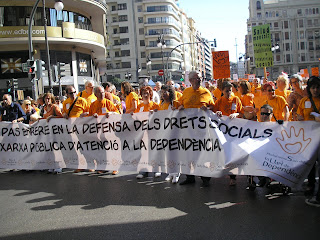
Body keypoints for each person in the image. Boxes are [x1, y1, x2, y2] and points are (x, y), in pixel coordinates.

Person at [178, 71, 215, 187]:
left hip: (201, 128)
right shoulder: (186, 92)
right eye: (196, 78)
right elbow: (180, 104)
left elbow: (213, 106)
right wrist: (180, 107)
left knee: (201, 151)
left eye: (200, 78)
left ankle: (205, 177)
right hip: (187, 128)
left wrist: (207, 107)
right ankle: (190, 177)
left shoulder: (206, 92)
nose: (199, 80)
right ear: (190, 80)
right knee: (188, 152)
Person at [296, 76, 320, 206]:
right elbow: (299, 116)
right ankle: (310, 185)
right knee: (309, 162)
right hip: (308, 138)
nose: (315, 90)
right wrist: (299, 118)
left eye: (317, 87)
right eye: (313, 87)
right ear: (309, 89)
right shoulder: (304, 101)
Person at [214, 81, 243, 186]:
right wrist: (217, 113)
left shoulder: (236, 99)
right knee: (225, 153)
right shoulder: (219, 101)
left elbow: (241, 112)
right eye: (226, 91)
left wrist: (236, 114)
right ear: (222, 91)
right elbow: (213, 114)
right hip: (223, 131)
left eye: (230, 90)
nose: (229, 92)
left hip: (234, 130)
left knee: (233, 153)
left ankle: (233, 177)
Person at [134, 86, 160, 179]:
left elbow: (161, 118)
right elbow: (135, 118)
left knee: (154, 151)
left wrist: (156, 113)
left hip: (153, 132)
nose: (145, 95)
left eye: (147, 93)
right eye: (144, 93)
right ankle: (143, 171)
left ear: (151, 94)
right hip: (143, 133)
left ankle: (156, 169)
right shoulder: (140, 106)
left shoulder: (155, 106)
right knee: (143, 152)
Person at [62, 85, 90, 173]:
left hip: (81, 127)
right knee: (76, 147)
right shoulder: (65, 103)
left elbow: (89, 111)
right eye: (71, 93)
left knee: (85, 146)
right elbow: (63, 112)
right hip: (71, 128)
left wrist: (84, 114)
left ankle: (90, 164)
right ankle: (81, 165)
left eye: (74, 92)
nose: (73, 94)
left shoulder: (82, 100)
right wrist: (64, 114)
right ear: (66, 94)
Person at [158, 85, 181, 183]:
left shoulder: (175, 103)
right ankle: (170, 172)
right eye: (162, 92)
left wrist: (177, 110)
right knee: (168, 153)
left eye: (165, 92)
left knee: (176, 152)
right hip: (165, 131)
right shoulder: (161, 104)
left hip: (175, 131)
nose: (163, 94)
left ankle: (177, 173)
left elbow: (182, 112)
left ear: (170, 93)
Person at [42, 93, 63, 174]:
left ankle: (58, 166)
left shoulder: (54, 107)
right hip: (48, 131)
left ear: (51, 99)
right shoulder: (44, 108)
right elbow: (44, 118)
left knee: (57, 148)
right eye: (46, 99)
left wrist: (52, 117)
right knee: (50, 149)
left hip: (56, 130)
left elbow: (61, 117)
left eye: (48, 98)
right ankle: (51, 165)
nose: (47, 100)